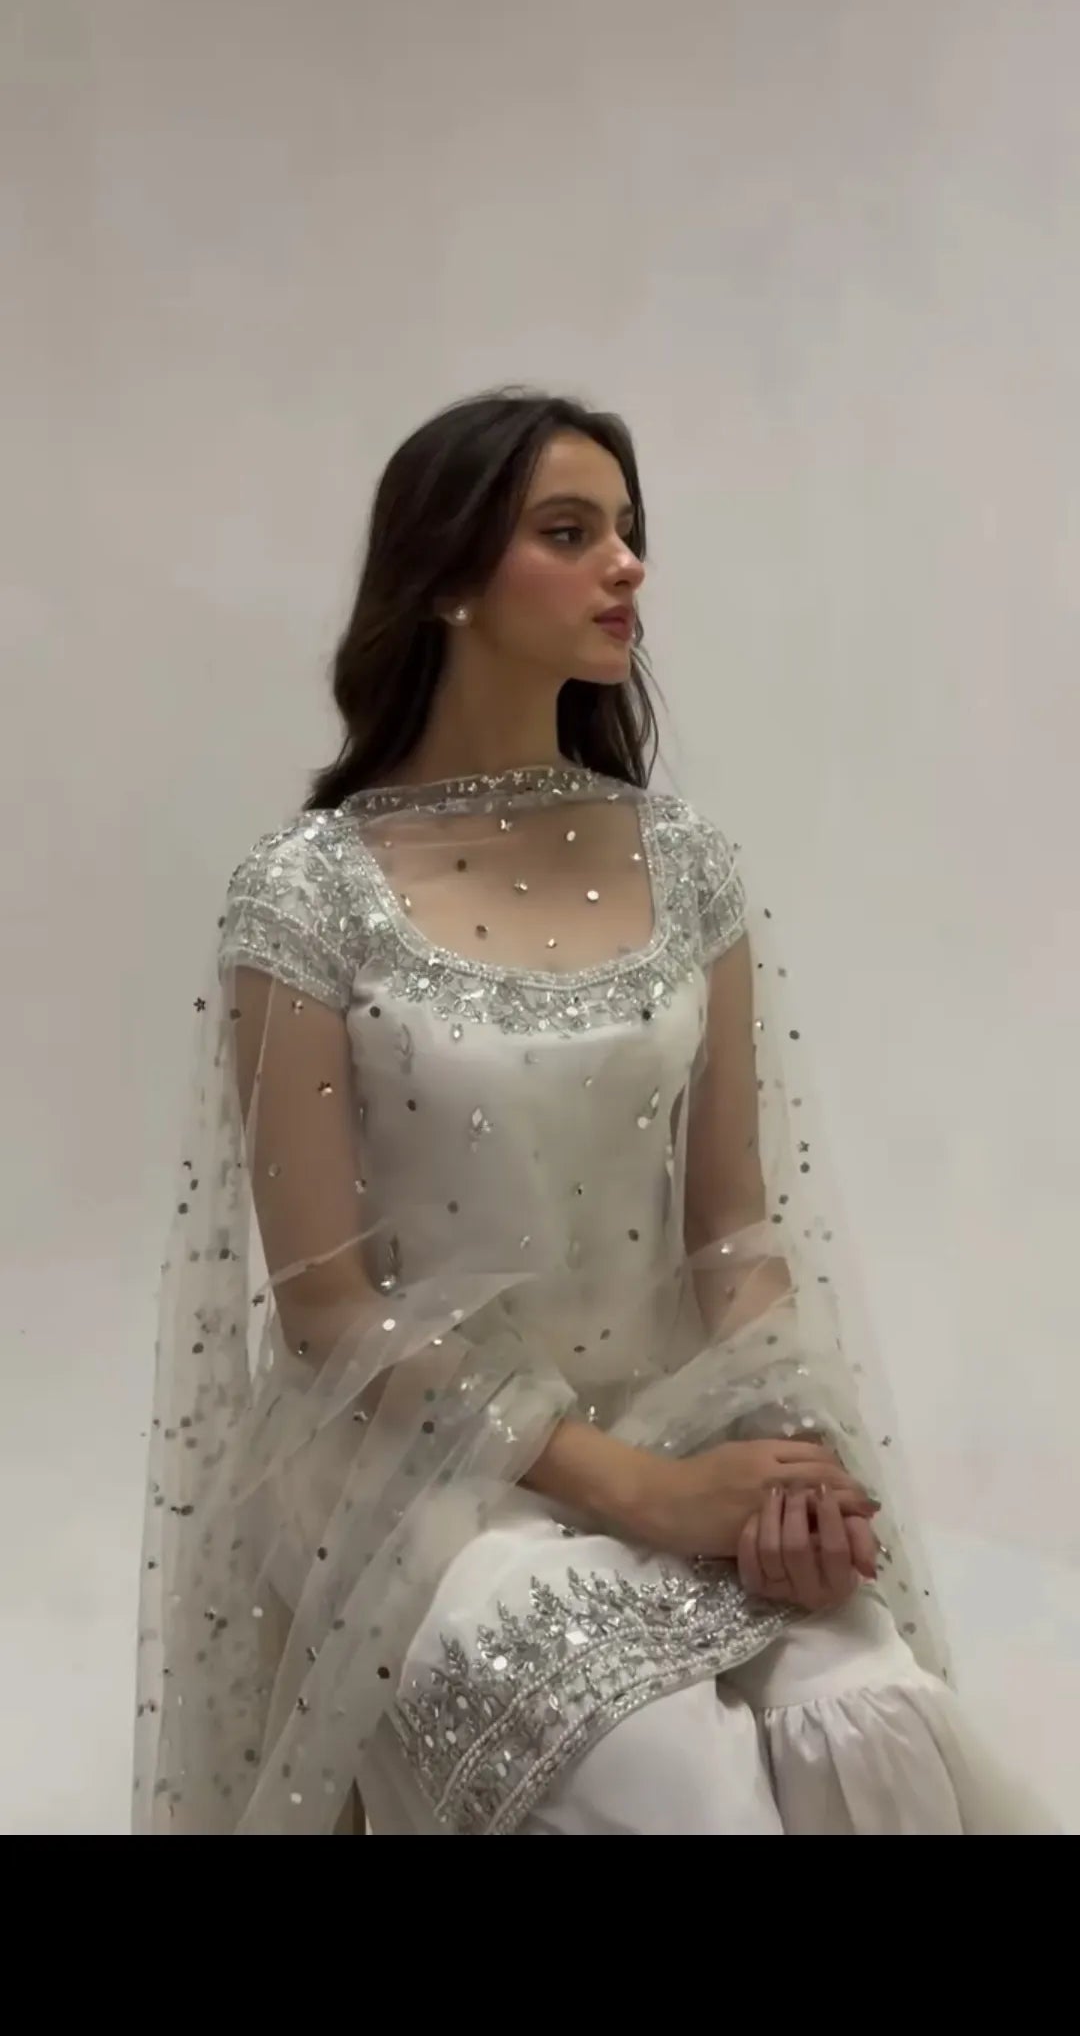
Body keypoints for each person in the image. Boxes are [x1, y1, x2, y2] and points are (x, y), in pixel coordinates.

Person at [135, 390, 1049, 1835]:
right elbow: (326, 1308)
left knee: (872, 1728)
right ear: (442, 580)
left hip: (679, 1431)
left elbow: (732, 1229)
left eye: (630, 532)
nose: (627, 565)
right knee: (686, 1792)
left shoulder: (684, 865)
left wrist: (784, 1456)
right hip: (415, 1487)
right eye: (572, 532)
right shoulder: (308, 895)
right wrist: (631, 1491)